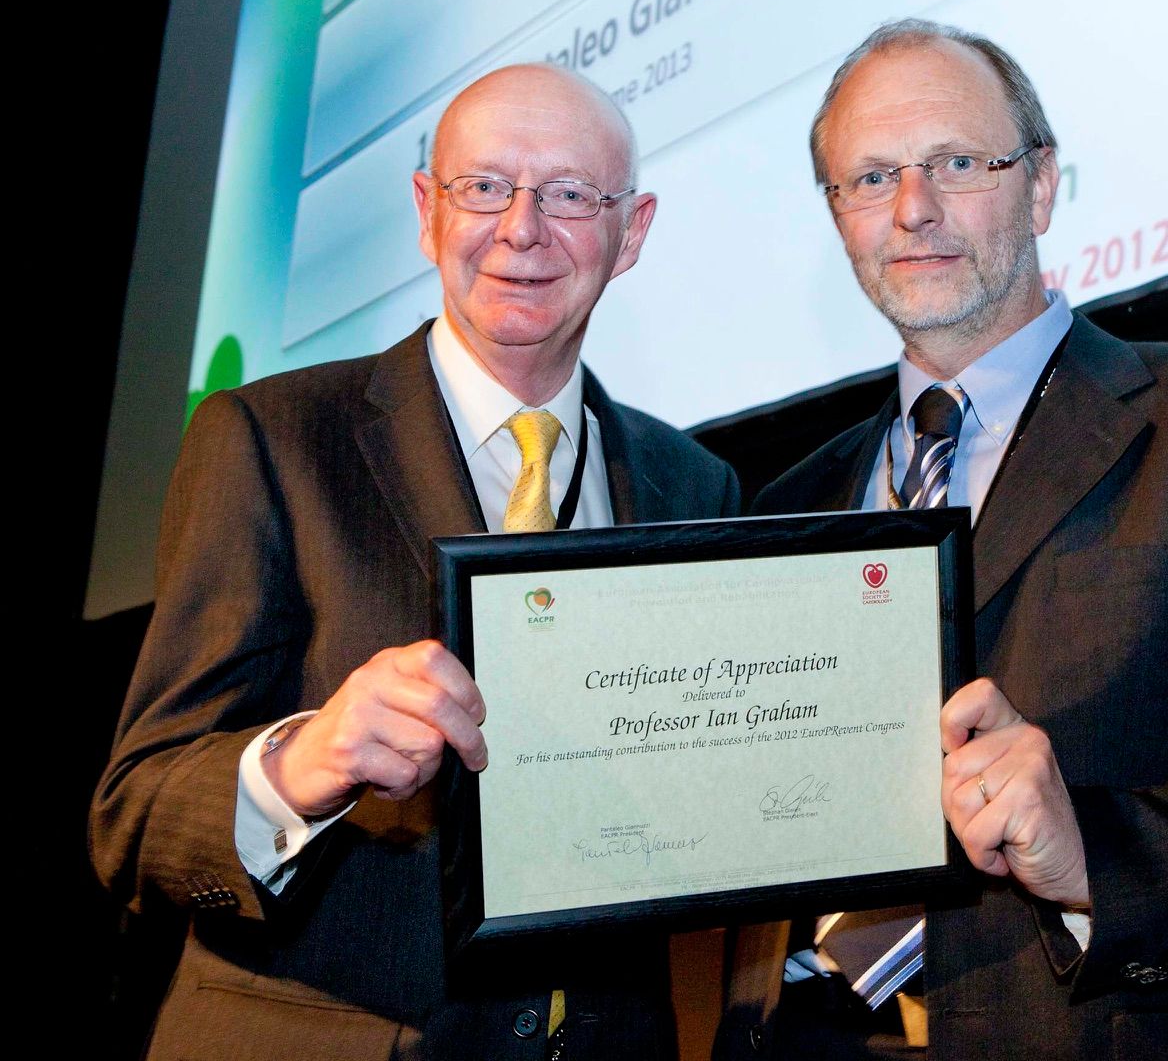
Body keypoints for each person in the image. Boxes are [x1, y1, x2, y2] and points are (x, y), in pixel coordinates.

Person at [716, 20, 1168, 1060]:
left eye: (958, 162)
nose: (913, 209)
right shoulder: (786, 505)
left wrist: (1098, 854)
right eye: (869, 178)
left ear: (1041, 185)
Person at [92, 63, 739, 1060]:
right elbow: (134, 816)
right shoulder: (270, 438)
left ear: (633, 231)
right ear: (427, 211)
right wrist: (310, 760)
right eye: (483, 187)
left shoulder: (695, 486)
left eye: (570, 194)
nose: (522, 229)